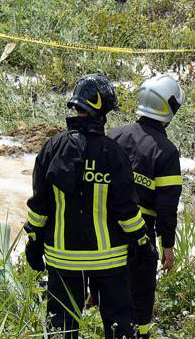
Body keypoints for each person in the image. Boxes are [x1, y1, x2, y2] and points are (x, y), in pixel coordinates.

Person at [23, 73, 157, 339]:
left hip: (63, 258)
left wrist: (34, 240)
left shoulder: (52, 148)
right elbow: (127, 211)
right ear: (102, 111)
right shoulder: (112, 152)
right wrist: (142, 242)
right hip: (109, 260)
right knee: (119, 325)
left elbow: (39, 205)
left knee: (62, 327)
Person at [108, 74, 185, 338]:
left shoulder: (114, 135)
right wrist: (167, 245)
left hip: (105, 230)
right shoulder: (166, 151)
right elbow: (166, 207)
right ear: (170, 109)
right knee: (140, 298)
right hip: (141, 236)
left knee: (110, 294)